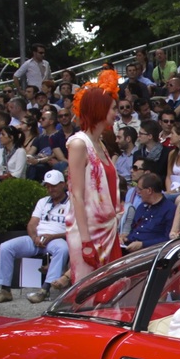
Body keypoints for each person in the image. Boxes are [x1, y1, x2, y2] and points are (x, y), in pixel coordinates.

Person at [65, 69, 123, 284]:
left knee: (110, 293)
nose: (116, 113)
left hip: (107, 228)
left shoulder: (100, 143)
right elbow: (76, 195)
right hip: (87, 231)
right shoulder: (79, 143)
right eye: (113, 108)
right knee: (88, 294)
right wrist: (86, 240)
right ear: (100, 109)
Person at [0, 170, 71, 305]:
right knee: (5, 247)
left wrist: (52, 236)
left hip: (57, 239)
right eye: (48, 186)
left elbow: (74, 230)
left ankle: (45, 289)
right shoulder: (43, 201)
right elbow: (32, 223)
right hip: (37, 239)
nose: (50, 189)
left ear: (63, 184)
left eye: (54, 186)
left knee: (62, 248)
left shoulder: (72, 202)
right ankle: (5, 290)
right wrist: (34, 237)